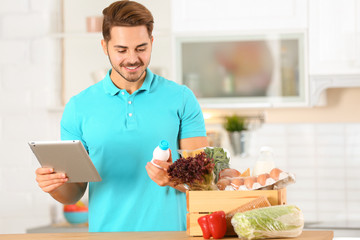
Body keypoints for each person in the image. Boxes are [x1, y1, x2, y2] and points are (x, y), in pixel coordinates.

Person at [35, 0, 208, 232]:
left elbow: (204, 182)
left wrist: (174, 178)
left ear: (152, 42)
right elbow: (73, 193)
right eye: (121, 50)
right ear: (104, 46)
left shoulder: (182, 99)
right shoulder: (79, 107)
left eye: (141, 48)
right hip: (106, 235)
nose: (132, 59)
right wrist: (53, 184)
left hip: (171, 235)